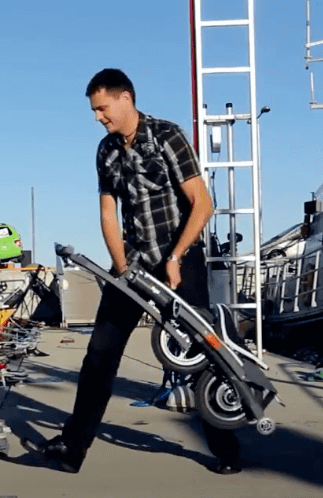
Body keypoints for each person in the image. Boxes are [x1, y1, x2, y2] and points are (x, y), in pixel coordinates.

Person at [37, 69, 240, 474]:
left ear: (125, 98)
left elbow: (202, 203)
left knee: (199, 355)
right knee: (100, 354)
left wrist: (176, 256)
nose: (98, 117)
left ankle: (226, 450)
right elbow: (107, 212)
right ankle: (74, 447)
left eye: (102, 108)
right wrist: (121, 265)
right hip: (133, 264)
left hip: (181, 259)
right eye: (94, 110)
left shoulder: (167, 136)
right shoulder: (106, 151)